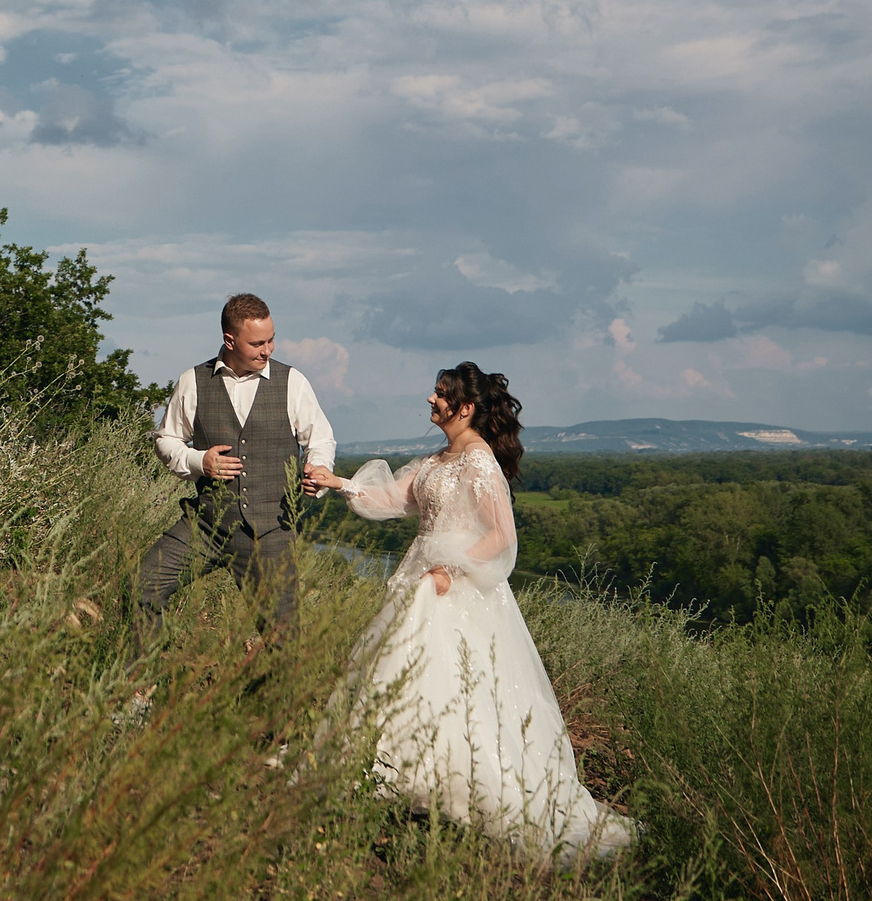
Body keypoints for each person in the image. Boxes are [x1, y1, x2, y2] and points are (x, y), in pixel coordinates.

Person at [304, 362, 634, 867]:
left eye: (441, 394)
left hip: (456, 588)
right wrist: (338, 482)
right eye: (435, 392)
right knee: (406, 676)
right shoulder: (437, 460)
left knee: (460, 685)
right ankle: (402, 775)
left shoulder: (479, 461)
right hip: (421, 581)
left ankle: (458, 786)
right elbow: (391, 499)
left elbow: (501, 536)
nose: (431, 399)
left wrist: (451, 571)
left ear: (466, 408)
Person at [135, 293, 337, 638]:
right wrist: (199, 461)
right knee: (142, 586)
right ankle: (146, 671)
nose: (267, 350)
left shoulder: (292, 382)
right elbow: (166, 440)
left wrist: (316, 469)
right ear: (229, 340)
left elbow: (320, 440)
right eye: (257, 343)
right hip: (207, 525)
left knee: (282, 637)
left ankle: (278, 679)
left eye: (271, 340)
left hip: (271, 533)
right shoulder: (193, 381)